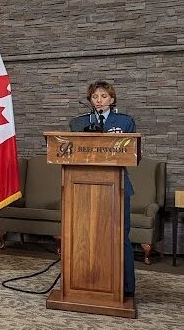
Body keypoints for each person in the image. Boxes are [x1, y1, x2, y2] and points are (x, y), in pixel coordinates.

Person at [69, 80, 136, 296]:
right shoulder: (79, 123)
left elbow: (133, 154)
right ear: (90, 100)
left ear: (112, 99)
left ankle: (126, 287)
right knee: (86, 237)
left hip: (118, 187)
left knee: (119, 236)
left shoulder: (125, 123)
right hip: (85, 188)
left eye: (104, 96)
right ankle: (87, 282)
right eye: (95, 97)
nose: (99, 100)